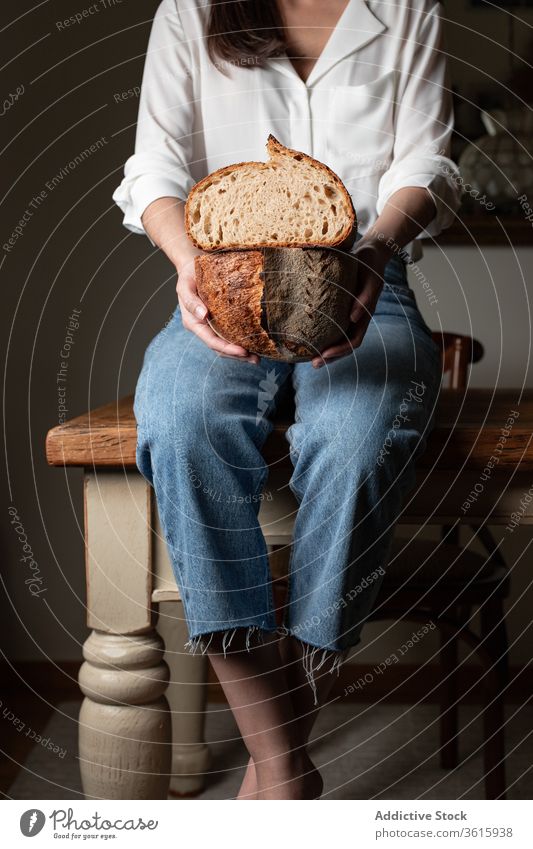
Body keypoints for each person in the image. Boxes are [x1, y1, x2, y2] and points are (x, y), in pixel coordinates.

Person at [113, 0, 461, 800]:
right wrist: (186, 262)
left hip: (370, 273)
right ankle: (284, 763)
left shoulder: (407, 8)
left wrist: (372, 250)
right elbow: (155, 167)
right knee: (180, 421)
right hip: (219, 276)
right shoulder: (190, 11)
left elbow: (427, 165)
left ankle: (275, 758)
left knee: (358, 436)